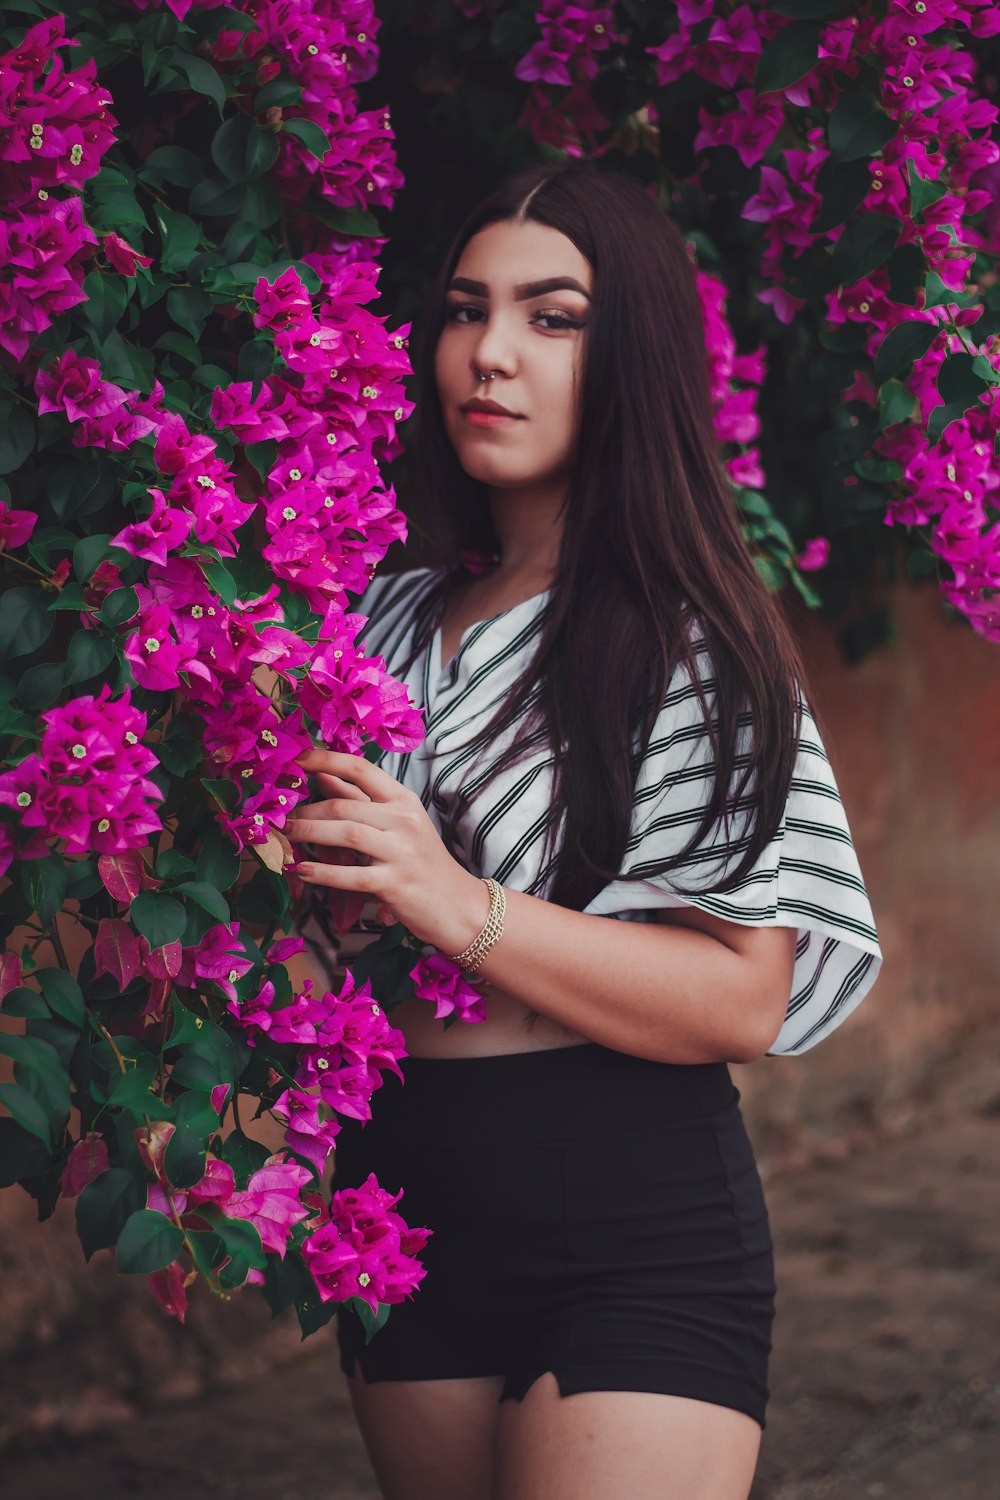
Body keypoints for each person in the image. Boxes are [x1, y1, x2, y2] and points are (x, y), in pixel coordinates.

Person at [284, 161, 882, 1500]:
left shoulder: (690, 640)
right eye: (464, 310)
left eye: (553, 318)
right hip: (402, 1202)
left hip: (628, 1217)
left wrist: (452, 900)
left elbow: (742, 992)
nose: (490, 354)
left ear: (634, 358)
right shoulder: (373, 623)